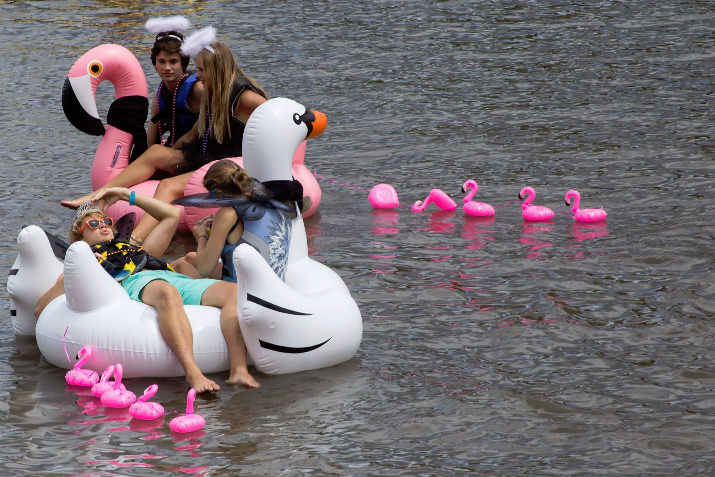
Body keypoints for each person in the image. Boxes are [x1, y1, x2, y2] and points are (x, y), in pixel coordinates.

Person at [62, 27, 268, 249]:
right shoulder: (213, 93)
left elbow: (278, 115)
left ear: (217, 70)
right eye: (197, 69)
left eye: (201, 70)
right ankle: (98, 196)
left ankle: (133, 242)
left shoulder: (243, 96)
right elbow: (194, 133)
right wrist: (170, 153)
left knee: (168, 186)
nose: (197, 75)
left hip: (227, 163)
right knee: (156, 152)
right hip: (205, 153)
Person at [37, 188, 260, 391]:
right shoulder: (84, 262)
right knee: (166, 293)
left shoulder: (134, 247)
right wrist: (83, 266)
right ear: (80, 238)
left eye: (105, 221)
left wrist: (125, 195)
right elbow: (40, 310)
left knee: (234, 293)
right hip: (136, 281)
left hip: (171, 276)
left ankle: (238, 370)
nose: (103, 225)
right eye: (93, 225)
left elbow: (170, 215)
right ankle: (193, 373)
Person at [183, 160, 298, 282]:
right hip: (274, 286)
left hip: (243, 294)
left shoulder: (228, 213)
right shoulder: (273, 201)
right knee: (190, 258)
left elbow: (204, 269)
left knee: (183, 265)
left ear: (218, 191)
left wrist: (201, 236)